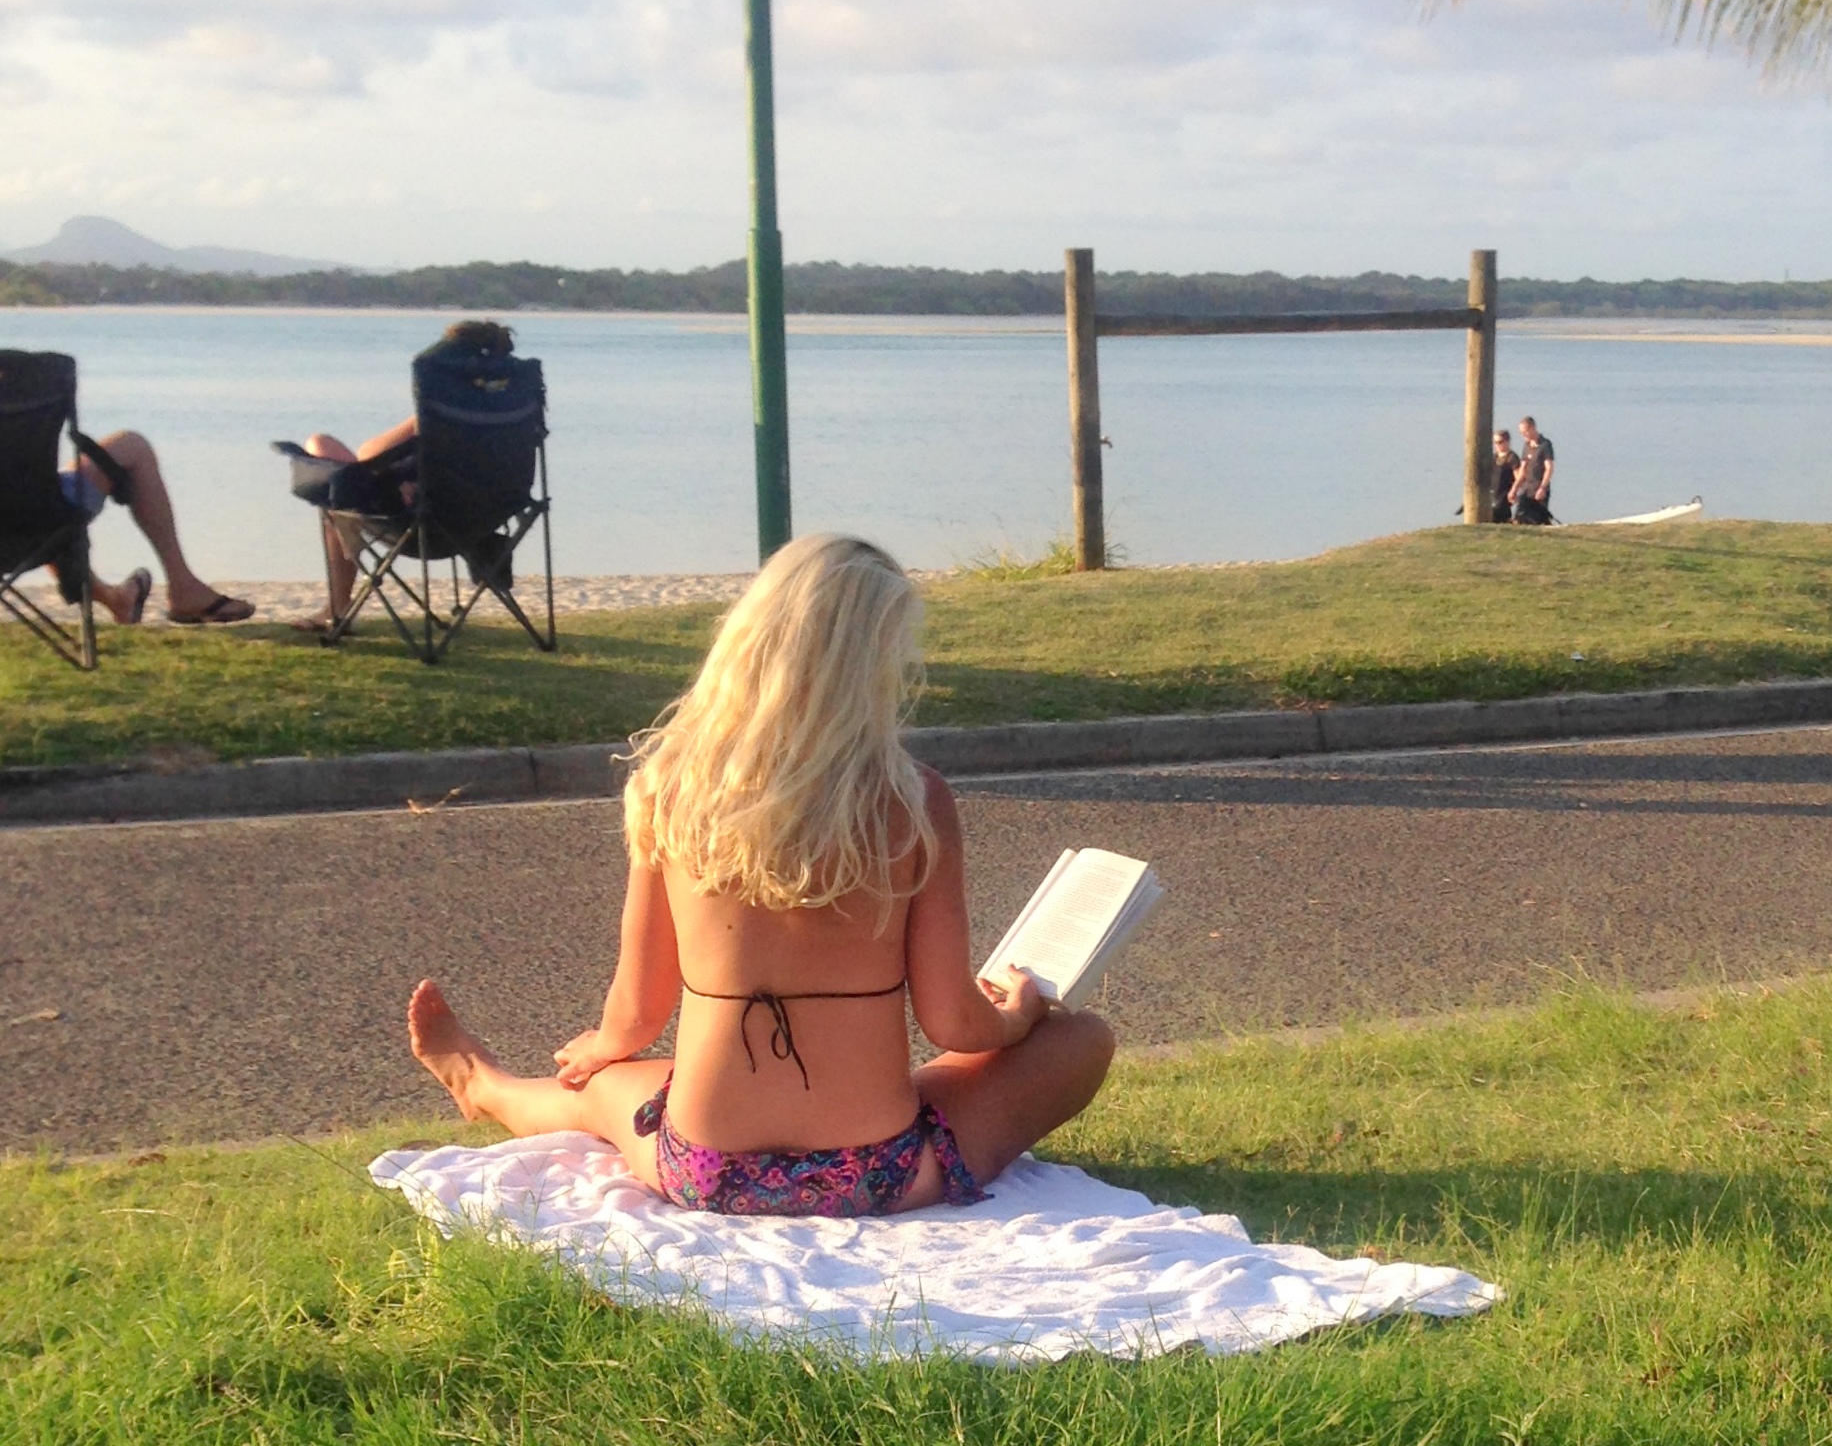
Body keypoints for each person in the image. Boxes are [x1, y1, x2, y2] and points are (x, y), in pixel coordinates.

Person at [407, 534, 1117, 1218]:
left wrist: (601, 1052)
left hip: (703, 1168)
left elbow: (635, 1016)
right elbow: (953, 1023)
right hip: (876, 1173)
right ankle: (873, 1097)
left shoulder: (671, 789)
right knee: (1080, 1039)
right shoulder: (912, 799)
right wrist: (1019, 1015)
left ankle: (486, 1087)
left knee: (599, 1090)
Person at [294, 320, 514, 629]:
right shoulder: (514, 412)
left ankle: (338, 606)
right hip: (481, 521)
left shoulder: (443, 411)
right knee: (340, 478)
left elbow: (369, 454)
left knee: (326, 463)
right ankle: (337, 606)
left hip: (420, 522)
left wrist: (422, 417)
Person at [51, 427, 254, 626]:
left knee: (39, 514)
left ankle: (118, 601)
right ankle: (183, 586)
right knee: (133, 445)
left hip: (34, 527)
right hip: (52, 511)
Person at [1511, 416, 1555, 525]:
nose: (1523, 435)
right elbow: (1522, 470)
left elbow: (1549, 468)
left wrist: (1542, 488)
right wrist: (1514, 489)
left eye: (1525, 431)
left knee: (1537, 520)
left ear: (1533, 428)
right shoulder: (1526, 446)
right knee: (1519, 517)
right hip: (1526, 489)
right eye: (1521, 432)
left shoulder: (1545, 445)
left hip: (1539, 488)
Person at [1489, 428, 1520, 523]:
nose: (1497, 445)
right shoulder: (1494, 457)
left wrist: (1514, 491)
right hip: (1493, 493)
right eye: (1495, 443)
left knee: (1500, 516)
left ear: (1507, 442)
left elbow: (1519, 477)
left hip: (1504, 495)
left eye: (1500, 442)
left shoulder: (1512, 458)